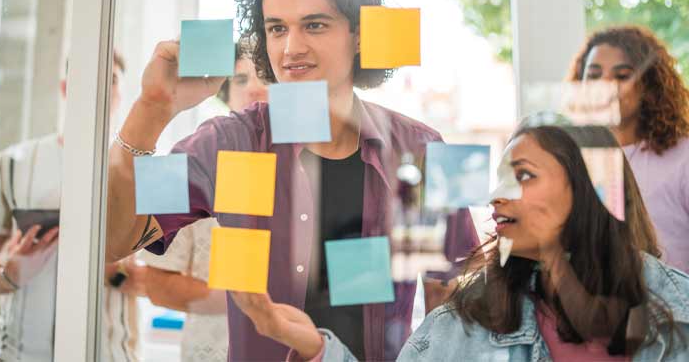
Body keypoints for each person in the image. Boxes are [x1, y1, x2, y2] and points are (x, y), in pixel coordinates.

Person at [105, 0, 479, 360]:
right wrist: (152, 108)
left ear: (359, 35)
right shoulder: (228, 142)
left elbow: (455, 302)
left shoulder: (422, 148)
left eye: (314, 26)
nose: (291, 48)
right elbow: (113, 240)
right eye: (277, 29)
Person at [232, 123, 689, 361]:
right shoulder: (467, 323)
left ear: (593, 189)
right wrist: (315, 347)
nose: (495, 196)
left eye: (523, 176)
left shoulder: (679, 312)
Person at [0, 51, 144, 361]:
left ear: (121, 94)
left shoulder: (139, 172)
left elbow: (163, 282)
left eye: (111, 80)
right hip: (18, 356)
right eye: (88, 77)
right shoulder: (10, 165)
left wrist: (116, 272)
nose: (99, 87)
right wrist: (10, 274)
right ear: (66, 88)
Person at [126, 41, 268, 362]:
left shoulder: (319, 163)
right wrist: (236, 299)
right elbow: (155, 283)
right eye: (241, 79)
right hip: (211, 350)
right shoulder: (190, 159)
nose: (255, 88)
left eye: (266, 77)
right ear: (225, 91)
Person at [570, 25, 689, 272]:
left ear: (648, 85)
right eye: (593, 75)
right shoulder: (570, 159)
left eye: (622, 75)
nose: (605, 85)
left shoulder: (683, 157)